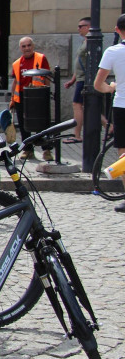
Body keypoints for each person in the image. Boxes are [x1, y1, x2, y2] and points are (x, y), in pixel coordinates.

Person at [94, 13, 125, 212]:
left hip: (122, 104)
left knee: (123, 153)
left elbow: (98, 84)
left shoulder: (113, 52)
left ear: (117, 30)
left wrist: (111, 87)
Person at [10, 36, 54, 161]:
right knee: (24, 125)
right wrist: (12, 98)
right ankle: (28, 150)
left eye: (29, 45)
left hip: (37, 96)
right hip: (22, 97)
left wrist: (46, 93)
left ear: (33, 46)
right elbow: (15, 81)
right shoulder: (17, 63)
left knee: (42, 124)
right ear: (20, 48)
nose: (27, 48)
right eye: (24, 46)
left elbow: (46, 77)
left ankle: (46, 150)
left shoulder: (41, 58)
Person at [62, 16, 91, 143]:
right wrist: (73, 80)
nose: (78, 29)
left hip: (85, 80)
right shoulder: (84, 42)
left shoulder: (91, 41)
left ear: (88, 27)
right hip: (80, 79)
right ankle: (109, 126)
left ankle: (77, 135)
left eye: (80, 26)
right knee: (88, 106)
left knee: (77, 105)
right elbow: (80, 63)